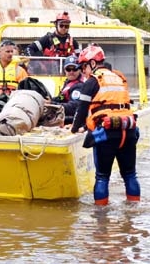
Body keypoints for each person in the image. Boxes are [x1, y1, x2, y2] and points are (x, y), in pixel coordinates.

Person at [71, 44, 140, 206]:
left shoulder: (93, 81)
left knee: (102, 176)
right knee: (130, 175)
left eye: (84, 67)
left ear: (93, 64)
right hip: (128, 130)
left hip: (107, 132)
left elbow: (81, 110)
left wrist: (74, 129)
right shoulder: (119, 77)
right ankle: (134, 209)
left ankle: (100, 217)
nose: (83, 71)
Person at [50, 55, 85, 124]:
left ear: (79, 70)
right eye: (68, 69)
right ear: (65, 70)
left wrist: (52, 104)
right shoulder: (68, 82)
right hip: (66, 114)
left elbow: (73, 108)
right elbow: (62, 97)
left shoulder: (79, 86)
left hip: (74, 118)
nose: (71, 72)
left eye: (74, 69)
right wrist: (51, 100)